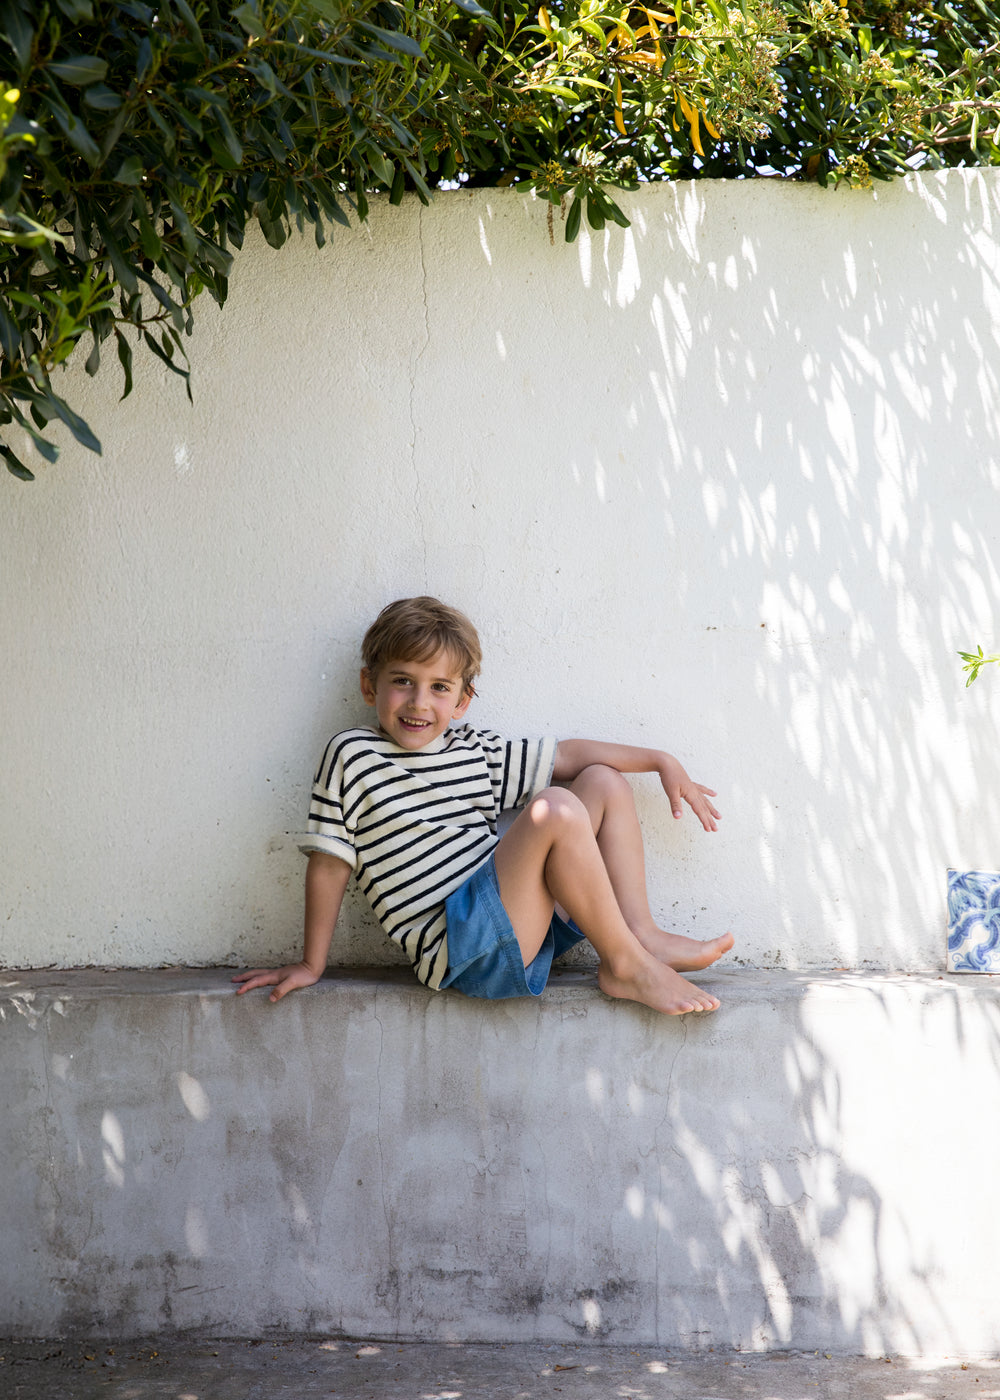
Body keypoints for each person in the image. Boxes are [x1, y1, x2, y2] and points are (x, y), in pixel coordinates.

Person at [234, 597, 732, 1016]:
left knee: (601, 780)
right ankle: (626, 964)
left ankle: (638, 934)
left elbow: (566, 755)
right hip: (460, 948)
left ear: (463, 700)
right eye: (402, 681)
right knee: (555, 809)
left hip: (518, 921)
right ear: (370, 686)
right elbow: (329, 862)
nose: (418, 703)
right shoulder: (352, 755)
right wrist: (311, 963)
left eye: (439, 687)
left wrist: (660, 761)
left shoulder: (473, 749)